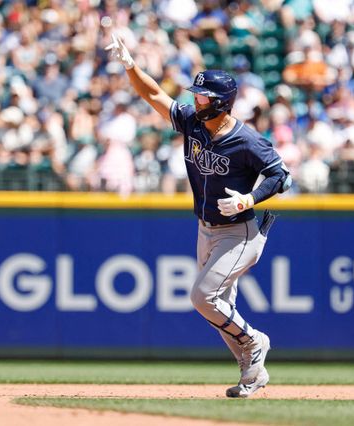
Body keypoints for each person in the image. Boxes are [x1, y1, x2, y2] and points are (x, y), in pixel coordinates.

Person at [106, 33, 291, 398]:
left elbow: (281, 176)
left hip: (239, 232)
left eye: (202, 96)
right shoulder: (193, 122)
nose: (195, 99)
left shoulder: (246, 140)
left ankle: (255, 341)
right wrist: (131, 66)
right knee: (220, 308)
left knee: (203, 297)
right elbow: (154, 95)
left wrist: (249, 199)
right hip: (205, 229)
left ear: (220, 103)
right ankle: (252, 373)